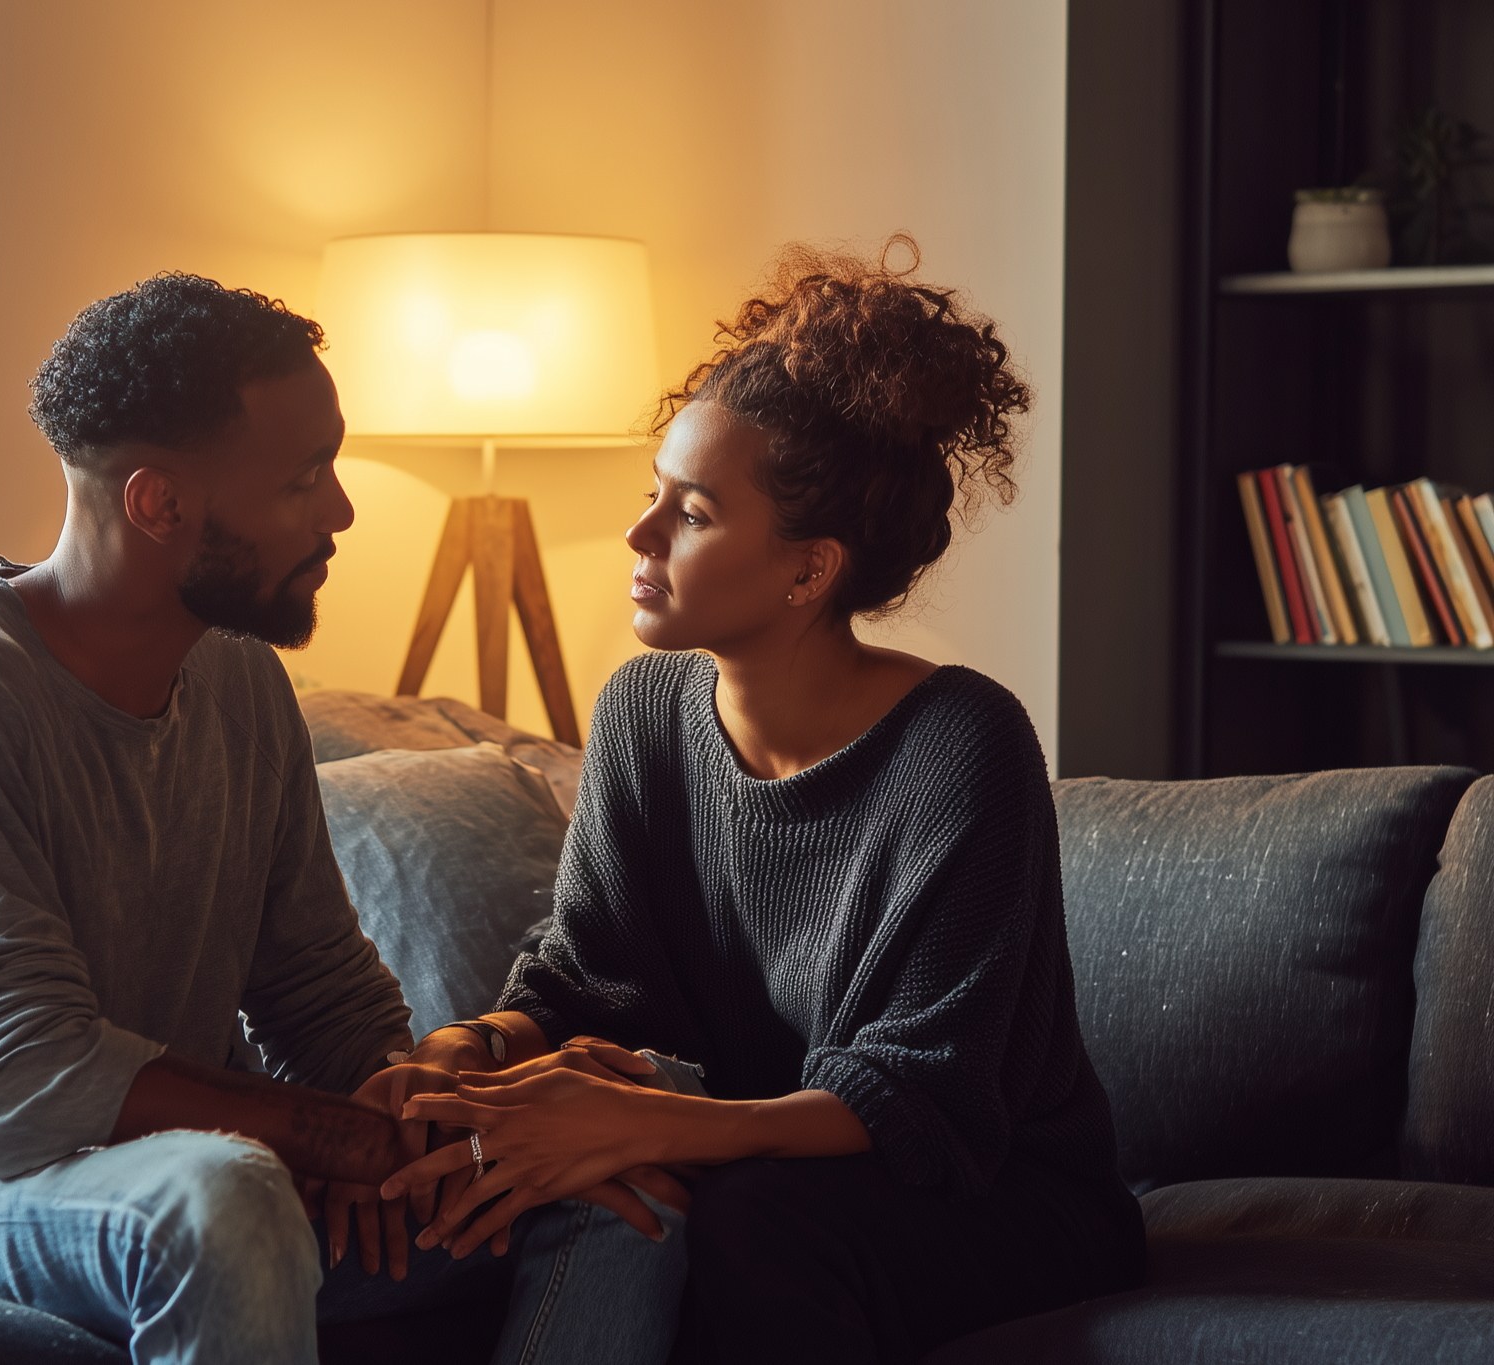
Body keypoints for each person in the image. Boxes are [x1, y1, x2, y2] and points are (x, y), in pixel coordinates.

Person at [0, 273, 685, 1364]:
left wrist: (408, 1108)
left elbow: (316, 989)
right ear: (158, 503)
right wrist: (340, 1140)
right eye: (305, 479)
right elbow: (20, 1084)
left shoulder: (239, 677)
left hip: (197, 1160)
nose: (341, 510)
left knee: (615, 1156)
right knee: (229, 1193)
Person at [384, 240, 1147, 1362]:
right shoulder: (643, 711)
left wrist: (651, 1124)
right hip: (747, 1151)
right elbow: (595, 977)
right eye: (652, 494)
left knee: (748, 1221)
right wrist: (474, 1044)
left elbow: (916, 1099)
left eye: (689, 513)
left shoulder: (960, 745)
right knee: (559, 1172)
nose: (640, 537)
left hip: (996, 1199)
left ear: (809, 569)